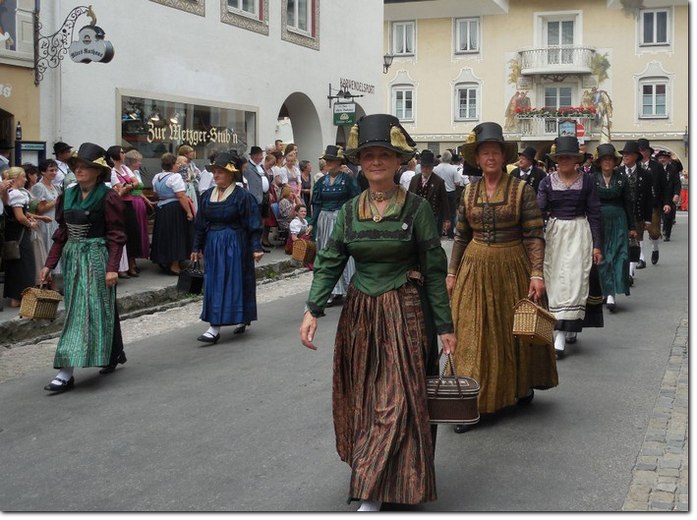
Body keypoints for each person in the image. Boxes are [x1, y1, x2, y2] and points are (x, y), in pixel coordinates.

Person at [299, 114, 456, 511]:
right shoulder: (351, 211)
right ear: (360, 162)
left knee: (397, 400)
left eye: (383, 154)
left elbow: (435, 271)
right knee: (367, 400)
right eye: (368, 155)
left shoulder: (417, 209)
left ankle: (381, 486)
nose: (375, 161)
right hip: (361, 315)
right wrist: (313, 308)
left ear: (397, 160)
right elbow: (330, 260)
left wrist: (445, 325)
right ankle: (374, 481)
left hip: (404, 312)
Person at [447, 122, 557, 431]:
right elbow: (460, 236)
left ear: (503, 156)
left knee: (514, 332)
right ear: (478, 159)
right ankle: (472, 402)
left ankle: (521, 385)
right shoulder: (468, 192)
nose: (490, 157)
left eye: (495, 152)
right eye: (485, 153)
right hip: (475, 266)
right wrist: (452, 272)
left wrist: (536, 273)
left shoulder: (522, 190)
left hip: (513, 265)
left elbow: (535, 233)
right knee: (472, 334)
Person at [39, 143, 128, 392]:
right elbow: (62, 233)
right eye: (77, 165)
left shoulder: (108, 197)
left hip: (97, 258)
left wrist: (112, 267)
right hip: (73, 259)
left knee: (95, 309)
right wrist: (49, 264)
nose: (79, 170)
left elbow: (116, 234)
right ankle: (96, 360)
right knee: (81, 310)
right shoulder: (67, 194)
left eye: (85, 166)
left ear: (98, 171)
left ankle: (69, 370)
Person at [537, 136, 604, 358]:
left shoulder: (587, 182)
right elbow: (539, 212)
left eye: (569, 157)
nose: (564, 160)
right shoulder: (546, 182)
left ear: (577, 159)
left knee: (575, 279)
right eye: (560, 157)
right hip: (555, 233)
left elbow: (595, 213)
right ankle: (561, 329)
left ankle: (562, 335)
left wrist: (597, 246)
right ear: (555, 160)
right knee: (555, 279)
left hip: (579, 231)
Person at [191, 152, 264, 344]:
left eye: (220, 172)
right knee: (214, 282)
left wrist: (256, 247)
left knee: (236, 281)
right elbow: (200, 223)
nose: (215, 175)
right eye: (214, 171)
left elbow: (253, 223)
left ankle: (241, 316)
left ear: (231, 174)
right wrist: (196, 246)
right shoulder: (207, 196)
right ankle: (214, 326)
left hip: (236, 243)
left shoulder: (243, 197)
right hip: (213, 244)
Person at [309, 145, 361, 306]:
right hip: (324, 220)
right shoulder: (321, 182)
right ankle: (330, 290)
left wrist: (354, 221)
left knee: (343, 252)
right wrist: (312, 223)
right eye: (327, 160)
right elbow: (316, 204)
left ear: (339, 162)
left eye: (332, 160)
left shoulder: (348, 180)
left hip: (342, 218)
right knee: (326, 253)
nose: (328, 163)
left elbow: (356, 201)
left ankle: (347, 288)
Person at [592, 143, 636, 313]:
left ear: (614, 161)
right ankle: (606, 290)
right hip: (599, 220)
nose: (607, 162)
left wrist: (632, 226)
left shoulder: (621, 178)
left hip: (618, 220)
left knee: (619, 256)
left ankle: (612, 294)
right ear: (600, 162)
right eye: (604, 159)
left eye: (610, 159)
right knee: (602, 256)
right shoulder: (592, 179)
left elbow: (628, 203)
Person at [150, 152, 194, 275]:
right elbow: (181, 196)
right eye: (176, 164)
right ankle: (174, 265)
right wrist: (189, 212)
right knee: (176, 235)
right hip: (174, 209)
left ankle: (166, 261)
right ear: (172, 165)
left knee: (164, 235)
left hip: (162, 208)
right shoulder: (175, 177)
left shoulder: (157, 177)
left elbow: (155, 194)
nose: (178, 166)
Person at [2, 167, 39, 307]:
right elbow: (19, 216)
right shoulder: (16, 194)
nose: (25, 180)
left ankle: (15, 296)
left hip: (12, 232)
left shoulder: (8, 193)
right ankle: (21, 296)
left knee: (15, 262)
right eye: (23, 177)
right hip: (19, 233)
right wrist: (30, 224)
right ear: (16, 178)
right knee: (25, 262)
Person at [619, 141, 653, 281]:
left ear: (635, 156)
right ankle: (626, 271)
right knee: (622, 243)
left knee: (635, 242)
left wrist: (648, 219)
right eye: (623, 154)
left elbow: (648, 199)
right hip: (621, 213)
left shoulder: (645, 174)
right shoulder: (617, 172)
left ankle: (630, 272)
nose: (625, 156)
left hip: (637, 212)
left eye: (628, 154)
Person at [108, 145, 142, 278]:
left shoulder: (125, 168)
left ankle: (132, 264)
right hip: (119, 205)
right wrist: (129, 187)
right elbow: (118, 190)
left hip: (129, 203)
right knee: (122, 234)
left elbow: (136, 183)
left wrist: (127, 187)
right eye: (122, 152)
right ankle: (121, 267)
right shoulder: (112, 171)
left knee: (132, 233)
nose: (124, 154)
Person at [637, 138, 671, 265]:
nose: (640, 152)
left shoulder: (656, 166)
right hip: (639, 203)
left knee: (655, 232)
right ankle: (641, 257)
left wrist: (667, 202)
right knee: (638, 231)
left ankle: (655, 248)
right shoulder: (635, 165)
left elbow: (665, 186)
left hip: (653, 204)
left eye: (642, 150)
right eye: (638, 150)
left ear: (648, 152)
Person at [408, 149, 451, 237]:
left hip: (432, 216)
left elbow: (444, 201)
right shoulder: (414, 179)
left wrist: (447, 219)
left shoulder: (439, 181)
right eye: (423, 166)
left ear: (432, 167)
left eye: (428, 167)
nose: (425, 169)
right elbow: (409, 197)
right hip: (416, 215)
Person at [32, 159, 62, 277]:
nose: (54, 173)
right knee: (47, 250)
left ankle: (54, 279)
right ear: (43, 172)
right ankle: (46, 279)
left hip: (55, 221)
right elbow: (39, 208)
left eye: (55, 170)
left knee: (55, 249)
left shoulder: (55, 186)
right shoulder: (39, 187)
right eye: (51, 170)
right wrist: (55, 201)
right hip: (45, 222)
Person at [123, 149, 152, 262]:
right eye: (138, 161)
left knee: (141, 228)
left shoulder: (136, 173)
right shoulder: (126, 173)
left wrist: (147, 200)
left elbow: (139, 191)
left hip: (139, 201)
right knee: (135, 229)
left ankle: (135, 258)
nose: (140, 163)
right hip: (133, 202)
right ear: (132, 162)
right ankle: (131, 260)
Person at [433, 149, 460, 238]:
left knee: (439, 213)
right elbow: (457, 183)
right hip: (450, 192)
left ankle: (438, 232)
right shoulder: (453, 169)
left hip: (439, 193)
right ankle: (450, 233)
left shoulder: (436, 169)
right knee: (451, 213)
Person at [655, 150, 682, 241]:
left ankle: (667, 233)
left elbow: (677, 183)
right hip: (657, 196)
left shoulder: (672, 169)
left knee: (668, 216)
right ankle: (655, 232)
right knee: (656, 215)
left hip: (669, 195)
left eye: (664, 158)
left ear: (668, 159)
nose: (662, 160)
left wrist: (676, 194)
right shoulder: (655, 169)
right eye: (660, 158)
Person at [288, 203, 313, 269]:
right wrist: (304, 244)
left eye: (305, 211)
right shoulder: (295, 222)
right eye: (301, 211)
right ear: (296, 212)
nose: (304, 213)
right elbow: (294, 238)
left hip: (303, 241)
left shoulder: (305, 221)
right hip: (295, 244)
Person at [177, 145, 200, 213]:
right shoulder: (181, 165)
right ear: (185, 154)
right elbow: (190, 176)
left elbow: (199, 174)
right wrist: (194, 174)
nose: (193, 153)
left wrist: (195, 174)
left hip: (194, 188)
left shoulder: (192, 163)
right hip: (186, 189)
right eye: (191, 151)